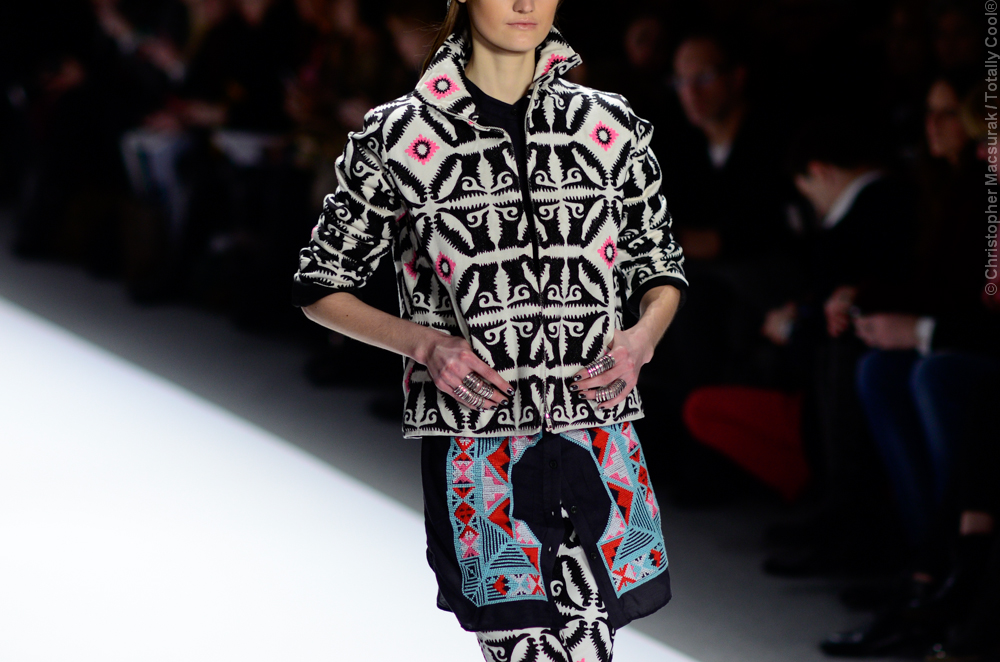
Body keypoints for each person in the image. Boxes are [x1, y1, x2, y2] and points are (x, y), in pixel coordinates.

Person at [290, 0, 687, 659]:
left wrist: (642, 337)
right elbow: (318, 282)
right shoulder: (400, 135)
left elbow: (661, 264)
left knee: (591, 650)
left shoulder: (608, 124)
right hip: (478, 447)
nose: (526, 4)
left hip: (598, 436)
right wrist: (424, 344)